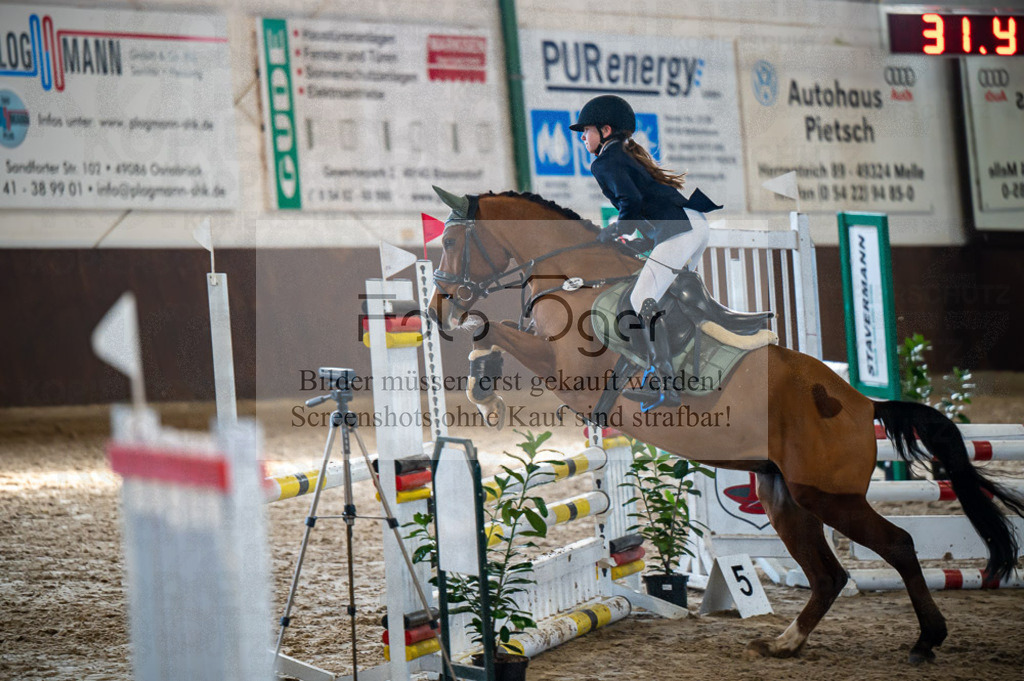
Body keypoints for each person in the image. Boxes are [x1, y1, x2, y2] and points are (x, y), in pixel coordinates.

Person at [569, 94, 723, 409]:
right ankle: (674, 367)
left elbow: (631, 203)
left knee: (641, 300)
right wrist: (636, 238)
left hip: (680, 227)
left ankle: (666, 384)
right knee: (666, 297)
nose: (583, 137)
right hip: (693, 223)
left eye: (587, 130)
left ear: (606, 130)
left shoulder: (605, 161)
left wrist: (615, 230)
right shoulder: (624, 155)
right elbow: (643, 207)